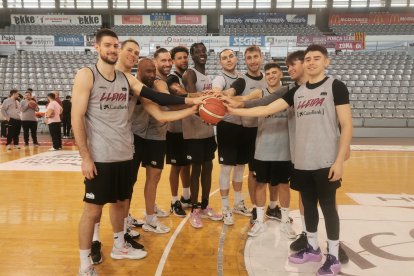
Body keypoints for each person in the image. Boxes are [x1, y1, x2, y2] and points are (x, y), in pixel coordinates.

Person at [73, 29, 202, 276]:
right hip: (101, 156)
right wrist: (86, 157)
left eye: (117, 46)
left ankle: (120, 245)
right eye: (108, 45)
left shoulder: (128, 81)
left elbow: (156, 97)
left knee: (121, 204)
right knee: (92, 209)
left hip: (125, 153)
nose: (113, 49)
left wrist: (192, 104)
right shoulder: (86, 75)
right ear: (97, 47)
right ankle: (84, 264)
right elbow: (76, 116)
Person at [226, 44, 353, 276]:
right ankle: (313, 248)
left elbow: (346, 124)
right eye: (307, 59)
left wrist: (339, 160)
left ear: (327, 62)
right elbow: (266, 109)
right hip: (302, 160)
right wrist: (235, 111)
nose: (311, 62)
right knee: (308, 206)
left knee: (328, 207)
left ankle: (334, 255)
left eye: (316, 58)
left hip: (325, 160)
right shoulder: (296, 92)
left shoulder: (336, 86)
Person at [244, 62, 295, 239]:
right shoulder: (260, 94)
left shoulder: (290, 93)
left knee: (283, 185)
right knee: (260, 184)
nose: (271, 76)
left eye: (274, 72)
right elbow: (244, 103)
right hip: (263, 148)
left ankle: (285, 222)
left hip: (283, 149)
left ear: (280, 74)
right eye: (268, 73)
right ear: (265, 76)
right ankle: (259, 221)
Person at [182, 42, 222, 228]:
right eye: (197, 52)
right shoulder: (190, 74)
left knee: (208, 167)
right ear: (192, 55)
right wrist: (209, 114)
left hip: (207, 130)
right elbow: (192, 100)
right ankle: (195, 209)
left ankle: (205, 205)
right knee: (196, 169)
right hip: (194, 131)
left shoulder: (207, 76)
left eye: (203, 51)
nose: (201, 54)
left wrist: (213, 116)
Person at [210, 49, 250, 225]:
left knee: (241, 168)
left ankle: (238, 203)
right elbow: (216, 93)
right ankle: (225, 207)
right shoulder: (220, 78)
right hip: (227, 126)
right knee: (226, 168)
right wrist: (224, 95)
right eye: (224, 58)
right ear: (220, 62)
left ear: (236, 58)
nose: (228, 60)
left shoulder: (243, 76)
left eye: (231, 56)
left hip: (244, 126)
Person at [166, 46, 192, 216]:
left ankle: (186, 196)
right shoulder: (172, 78)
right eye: (179, 58)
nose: (183, 60)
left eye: (185, 57)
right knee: (176, 166)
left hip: (188, 129)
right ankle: (174, 201)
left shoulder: (187, 77)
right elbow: (181, 94)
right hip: (174, 129)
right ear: (173, 61)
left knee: (186, 164)